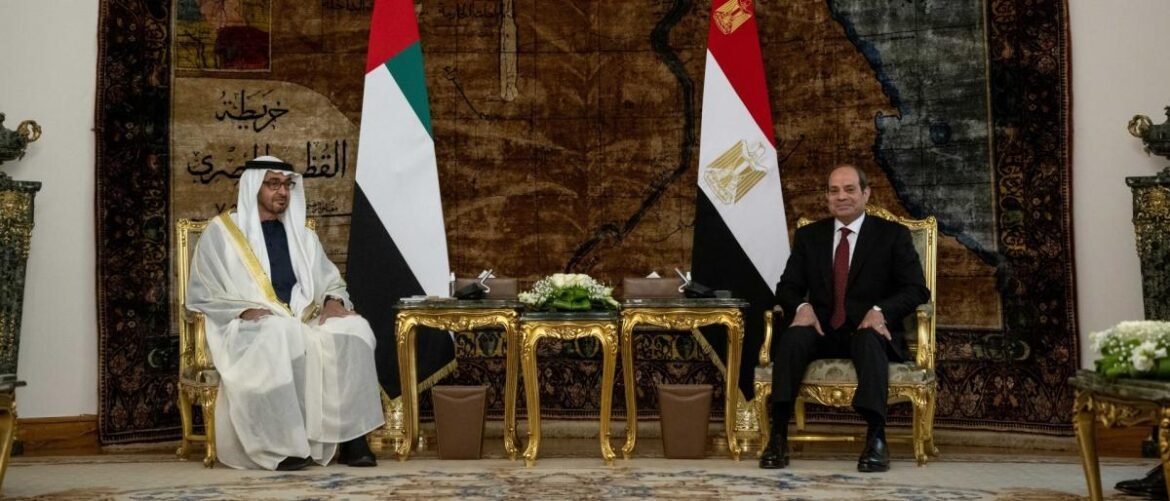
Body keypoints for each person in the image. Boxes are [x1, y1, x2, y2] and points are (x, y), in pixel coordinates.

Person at [186, 156, 384, 470]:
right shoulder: (222, 233)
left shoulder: (302, 236)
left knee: (355, 328)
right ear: (254, 187)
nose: (282, 192)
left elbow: (330, 280)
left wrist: (333, 300)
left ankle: (351, 439)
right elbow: (202, 290)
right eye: (273, 184)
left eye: (287, 185)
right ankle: (281, 447)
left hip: (301, 318)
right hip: (247, 326)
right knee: (280, 333)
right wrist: (243, 309)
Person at [760, 165, 929, 473]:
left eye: (850, 189)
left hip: (866, 329)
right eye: (834, 191)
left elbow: (916, 289)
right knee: (793, 337)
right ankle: (778, 435)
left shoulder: (892, 235)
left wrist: (880, 311)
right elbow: (787, 287)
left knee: (869, 340)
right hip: (822, 329)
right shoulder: (810, 236)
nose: (841, 197)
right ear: (827, 197)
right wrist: (802, 307)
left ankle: (876, 438)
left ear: (866, 193)